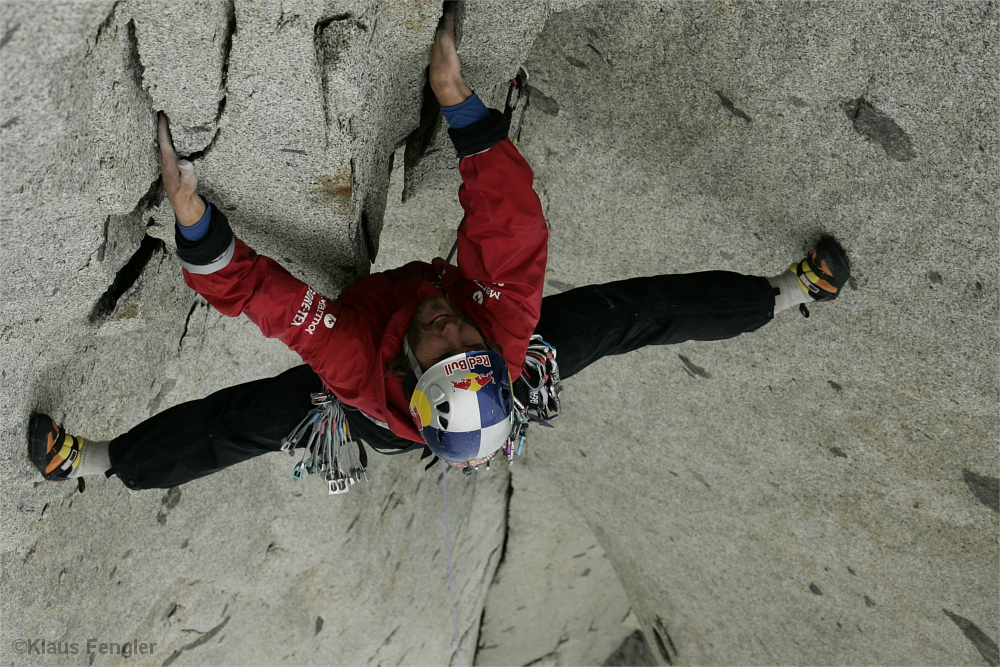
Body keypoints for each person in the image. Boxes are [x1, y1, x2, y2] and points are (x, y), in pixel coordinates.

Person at [28, 10, 851, 493]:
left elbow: (270, 300)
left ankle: (92, 465)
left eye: (440, 346)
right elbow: (515, 228)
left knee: (243, 422)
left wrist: (196, 225)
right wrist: (458, 103)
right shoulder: (499, 331)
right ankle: (782, 293)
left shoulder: (357, 364)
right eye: (466, 343)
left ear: (408, 372)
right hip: (489, 388)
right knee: (629, 315)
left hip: (378, 408)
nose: (447, 326)